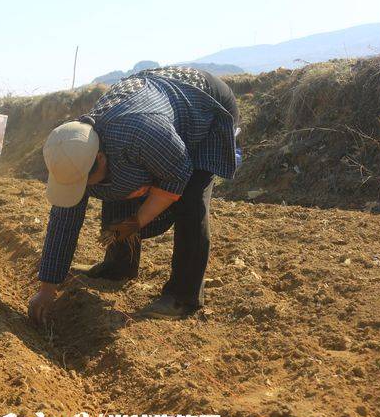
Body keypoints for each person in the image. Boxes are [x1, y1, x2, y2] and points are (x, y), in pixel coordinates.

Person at [28, 66, 239, 322]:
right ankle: (118, 267)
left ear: (101, 158)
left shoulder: (143, 132)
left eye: (85, 182)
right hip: (154, 112)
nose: (82, 190)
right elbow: (64, 221)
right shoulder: (75, 148)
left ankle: (183, 297)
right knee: (117, 186)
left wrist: (132, 223)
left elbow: (177, 175)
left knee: (191, 200)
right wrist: (46, 289)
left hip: (203, 106)